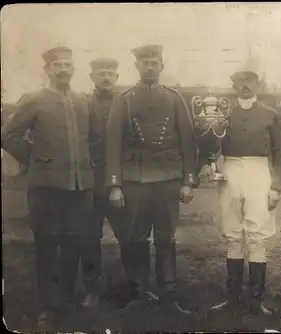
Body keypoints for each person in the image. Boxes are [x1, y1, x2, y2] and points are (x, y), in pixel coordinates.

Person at [1, 46, 95, 329]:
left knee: (73, 244)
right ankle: (48, 307)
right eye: (57, 65)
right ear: (48, 70)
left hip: (79, 188)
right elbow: (8, 134)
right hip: (46, 187)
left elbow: (92, 138)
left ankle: (66, 299)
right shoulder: (34, 100)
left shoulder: (83, 101)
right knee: (47, 246)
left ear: (73, 69)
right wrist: (34, 157)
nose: (63, 69)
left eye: (68, 64)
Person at [104, 44, 198, 315]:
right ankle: (140, 293)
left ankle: (169, 295)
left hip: (168, 178)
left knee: (166, 237)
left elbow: (188, 141)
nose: (149, 66)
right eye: (144, 62)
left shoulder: (174, 98)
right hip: (135, 179)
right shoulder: (125, 100)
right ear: (137, 67)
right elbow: (113, 144)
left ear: (161, 66)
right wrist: (115, 184)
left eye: (154, 62)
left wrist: (188, 180)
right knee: (136, 237)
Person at [209, 63, 281, 316]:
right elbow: (209, 143)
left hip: (259, 171)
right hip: (230, 170)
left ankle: (255, 301)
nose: (245, 85)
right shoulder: (224, 114)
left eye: (250, 80)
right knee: (233, 233)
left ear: (258, 84)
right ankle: (233, 298)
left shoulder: (270, 114)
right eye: (239, 80)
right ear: (233, 85)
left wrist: (276, 186)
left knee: (257, 234)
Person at [80, 57, 121, 308]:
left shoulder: (126, 102)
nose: (106, 77)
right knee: (89, 235)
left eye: (110, 73)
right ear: (92, 77)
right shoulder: (82, 104)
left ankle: (133, 287)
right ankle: (92, 289)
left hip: (121, 183)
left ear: (116, 77)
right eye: (101, 73)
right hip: (91, 181)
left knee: (129, 235)